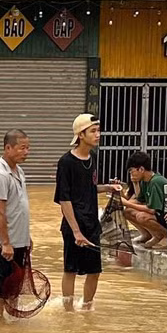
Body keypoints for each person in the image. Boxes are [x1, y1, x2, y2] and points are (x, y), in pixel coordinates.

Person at [54, 114, 115, 312]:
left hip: (92, 223)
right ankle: (68, 312)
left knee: (95, 271)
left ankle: (87, 309)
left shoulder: (93, 158)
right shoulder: (66, 162)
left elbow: (90, 187)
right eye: (93, 131)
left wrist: (107, 188)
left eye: (98, 130)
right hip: (74, 225)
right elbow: (64, 198)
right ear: (81, 135)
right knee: (70, 270)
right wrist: (76, 231)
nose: (98, 135)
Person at [0, 130, 33, 323]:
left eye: (28, 148)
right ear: (8, 148)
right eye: (22, 148)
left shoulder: (18, 171)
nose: (26, 152)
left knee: (14, 285)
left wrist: (26, 237)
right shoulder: (0, 175)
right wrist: (6, 243)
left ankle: (10, 322)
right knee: (0, 288)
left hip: (19, 240)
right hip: (4, 244)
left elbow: (18, 208)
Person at [116, 151, 167, 250]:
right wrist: (120, 195)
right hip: (162, 215)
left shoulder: (155, 182)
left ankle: (165, 237)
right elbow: (139, 200)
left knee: (142, 216)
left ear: (141, 169)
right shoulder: (145, 181)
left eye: (132, 171)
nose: (131, 173)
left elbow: (151, 210)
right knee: (127, 212)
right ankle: (147, 234)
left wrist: (126, 203)